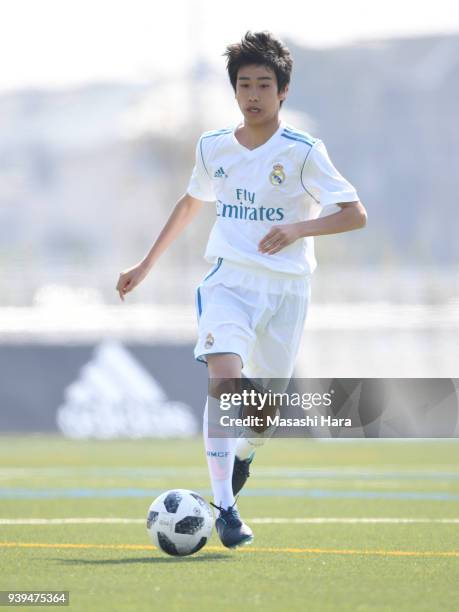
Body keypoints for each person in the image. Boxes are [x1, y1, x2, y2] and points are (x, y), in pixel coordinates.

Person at [116, 31, 367, 550]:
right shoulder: (213, 146)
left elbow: (354, 214)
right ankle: (226, 511)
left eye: (264, 84)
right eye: (244, 84)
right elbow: (190, 204)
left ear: (283, 91)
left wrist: (299, 229)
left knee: (262, 418)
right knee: (224, 382)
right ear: (234, 91)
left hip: (287, 292)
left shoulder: (303, 151)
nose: (253, 94)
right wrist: (146, 263)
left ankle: (243, 458)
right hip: (227, 281)